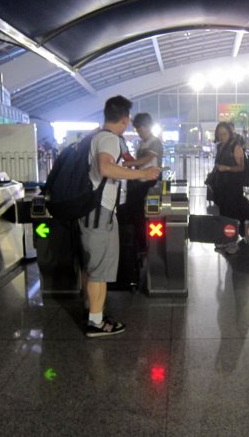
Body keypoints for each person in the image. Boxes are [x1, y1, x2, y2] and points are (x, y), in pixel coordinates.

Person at [81, 96, 160, 338]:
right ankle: (95, 322)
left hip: (92, 211)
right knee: (99, 268)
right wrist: (141, 175)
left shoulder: (96, 136)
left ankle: (93, 310)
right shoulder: (109, 139)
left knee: (94, 265)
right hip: (99, 212)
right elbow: (105, 167)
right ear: (125, 120)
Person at [211, 121, 249, 254]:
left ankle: (232, 241)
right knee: (225, 213)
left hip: (233, 185)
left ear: (229, 133)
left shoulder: (235, 146)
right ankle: (226, 238)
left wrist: (226, 168)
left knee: (231, 213)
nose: (222, 136)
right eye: (219, 134)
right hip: (222, 186)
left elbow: (241, 167)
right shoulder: (220, 147)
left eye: (224, 133)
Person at [122, 112, 164, 250]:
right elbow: (138, 162)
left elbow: (146, 159)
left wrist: (126, 165)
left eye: (140, 129)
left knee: (144, 214)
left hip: (150, 182)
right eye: (137, 129)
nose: (139, 132)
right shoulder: (141, 143)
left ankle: (146, 245)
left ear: (148, 127)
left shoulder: (155, 142)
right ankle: (138, 243)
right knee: (135, 213)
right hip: (139, 181)